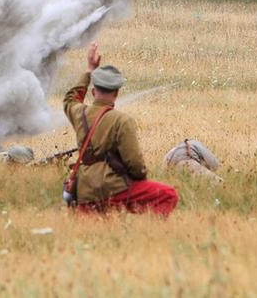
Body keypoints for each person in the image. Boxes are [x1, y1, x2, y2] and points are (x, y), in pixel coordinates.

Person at [63, 42, 178, 216]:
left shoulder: (79, 113)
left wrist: (89, 70)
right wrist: (139, 179)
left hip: (84, 191)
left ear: (93, 92)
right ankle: (149, 235)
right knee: (168, 195)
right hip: (115, 189)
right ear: (116, 93)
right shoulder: (122, 121)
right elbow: (135, 163)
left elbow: (70, 99)